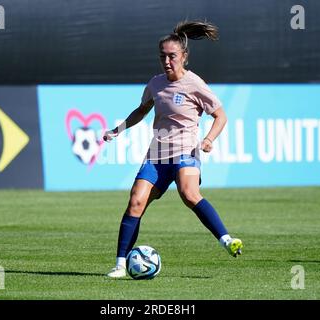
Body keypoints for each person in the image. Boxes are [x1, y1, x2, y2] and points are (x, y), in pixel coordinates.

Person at [103, 20, 243, 278]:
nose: (167, 61)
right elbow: (141, 110)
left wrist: (209, 139)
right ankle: (120, 265)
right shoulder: (156, 84)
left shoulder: (195, 84)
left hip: (185, 152)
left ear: (184, 57)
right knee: (136, 202)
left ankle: (226, 239)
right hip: (156, 156)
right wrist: (118, 129)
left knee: (189, 194)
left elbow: (220, 116)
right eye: (162, 57)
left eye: (172, 56)